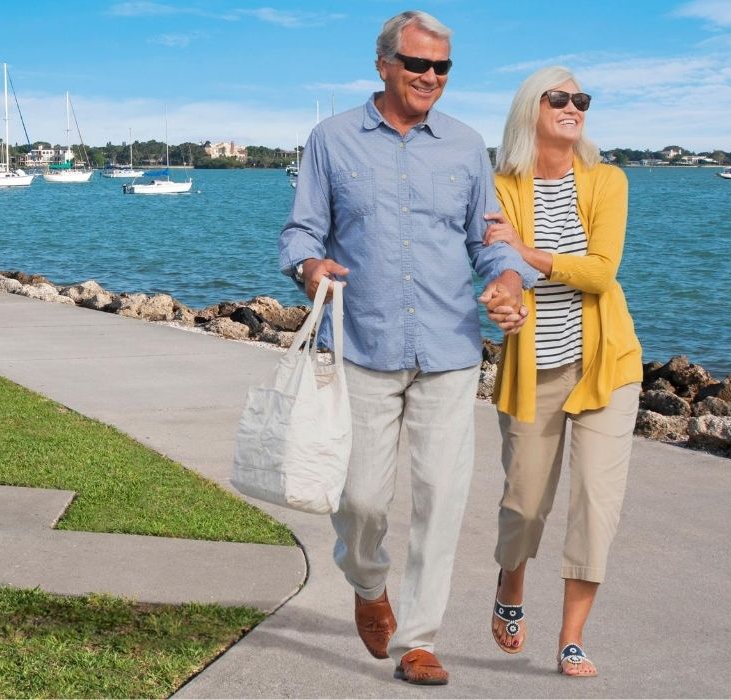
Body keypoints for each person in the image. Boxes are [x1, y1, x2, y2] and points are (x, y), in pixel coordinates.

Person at [279, 9, 536, 686]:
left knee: (440, 499)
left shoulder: (466, 146)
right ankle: (368, 584)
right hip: (362, 343)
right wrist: (310, 269)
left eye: (442, 67)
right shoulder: (330, 140)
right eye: (418, 63)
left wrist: (508, 277)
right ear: (385, 64)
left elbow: (490, 240)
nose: (430, 77)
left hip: (450, 348)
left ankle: (418, 640)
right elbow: (302, 231)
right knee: (361, 499)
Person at [484, 66, 642, 678]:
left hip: (607, 365)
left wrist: (527, 254)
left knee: (596, 505)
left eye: (582, 100)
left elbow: (601, 272)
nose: (574, 106)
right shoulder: (499, 186)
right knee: (524, 505)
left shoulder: (608, 181)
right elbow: (498, 261)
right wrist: (509, 282)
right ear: (531, 109)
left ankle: (571, 638)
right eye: (560, 98)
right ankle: (510, 584)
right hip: (534, 369)